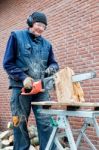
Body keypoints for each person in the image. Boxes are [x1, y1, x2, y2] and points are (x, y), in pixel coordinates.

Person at [3, 11, 59, 150]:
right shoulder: (16, 36)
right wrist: (23, 78)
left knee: (46, 121)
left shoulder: (47, 45)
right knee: (20, 122)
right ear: (30, 22)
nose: (41, 28)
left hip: (40, 88)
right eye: (38, 24)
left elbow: (54, 63)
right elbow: (7, 63)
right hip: (21, 88)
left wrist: (51, 68)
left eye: (43, 26)